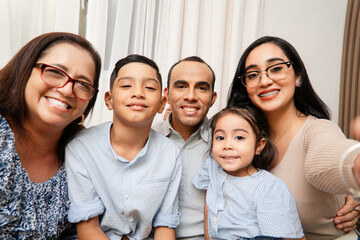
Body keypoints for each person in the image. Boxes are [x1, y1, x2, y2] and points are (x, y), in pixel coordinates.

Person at [227, 36, 360, 239]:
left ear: (298, 76)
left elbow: (325, 159)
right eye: (253, 75)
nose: (264, 81)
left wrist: (353, 169)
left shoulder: (319, 129)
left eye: (276, 68)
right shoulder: (239, 139)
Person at [65, 54, 182, 240]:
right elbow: (88, 229)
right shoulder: (81, 147)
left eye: (150, 87)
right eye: (127, 85)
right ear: (109, 99)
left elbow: (165, 225)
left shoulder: (170, 153)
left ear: (161, 104)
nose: (138, 93)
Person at [0, 32, 101, 239]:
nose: (67, 90)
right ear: (25, 70)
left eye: (83, 84)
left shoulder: (83, 159)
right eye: (55, 72)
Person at [192, 106, 305, 239]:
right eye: (220, 138)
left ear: (259, 146)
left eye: (239, 137)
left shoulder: (268, 187)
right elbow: (209, 207)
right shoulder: (212, 168)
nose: (227, 145)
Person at [152, 56, 217, 239]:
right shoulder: (147, 139)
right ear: (167, 93)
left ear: (213, 98)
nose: (190, 96)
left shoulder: (226, 143)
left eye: (201, 88)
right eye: (181, 86)